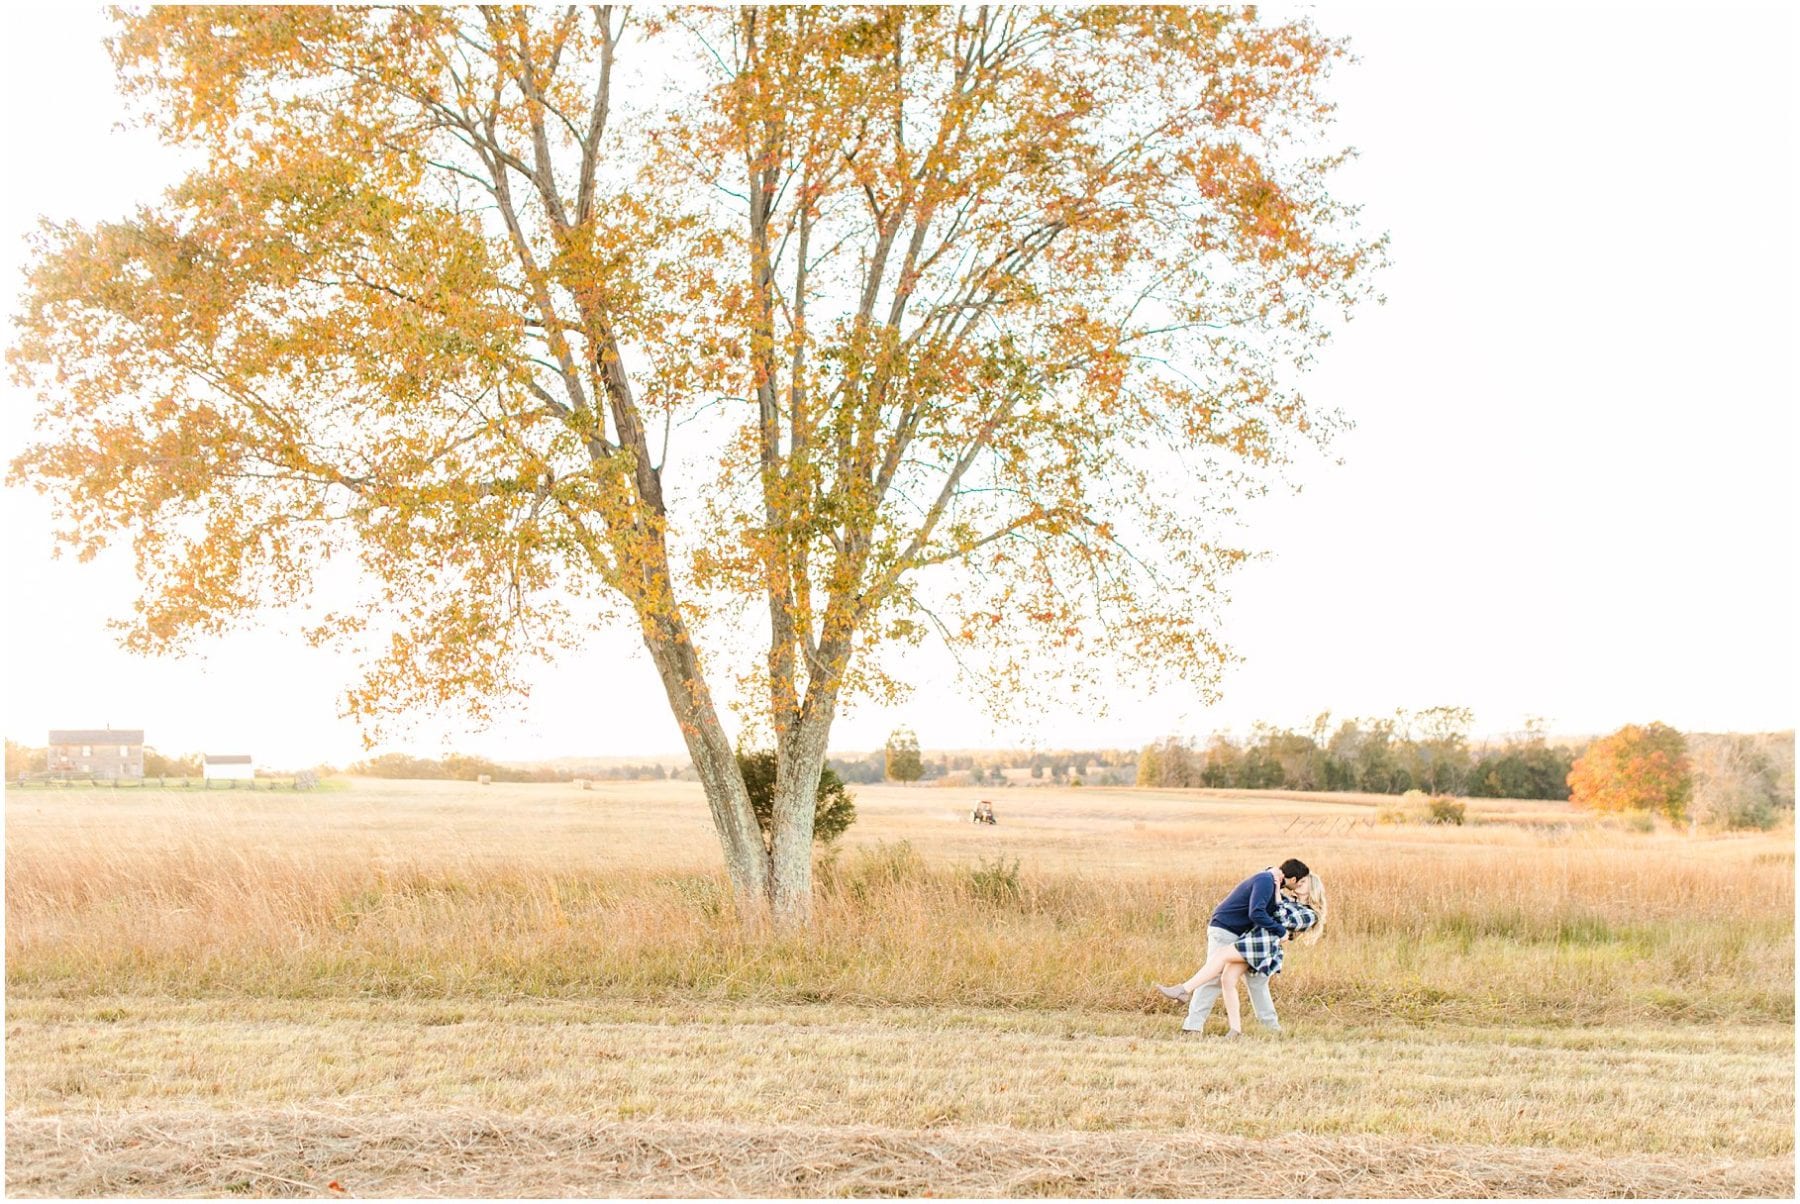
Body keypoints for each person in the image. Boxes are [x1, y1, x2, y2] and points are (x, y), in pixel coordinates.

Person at [1154, 858, 1316, 1037]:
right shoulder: (1266, 881)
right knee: (1215, 977)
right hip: (1227, 928)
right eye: (1300, 882)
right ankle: (1193, 1025)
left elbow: (1277, 911)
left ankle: (1269, 1029)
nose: (1300, 885)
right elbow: (1258, 912)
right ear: (1292, 879)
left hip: (1246, 938)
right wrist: (1280, 931)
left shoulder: (1274, 885)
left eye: (1304, 884)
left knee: (1253, 982)